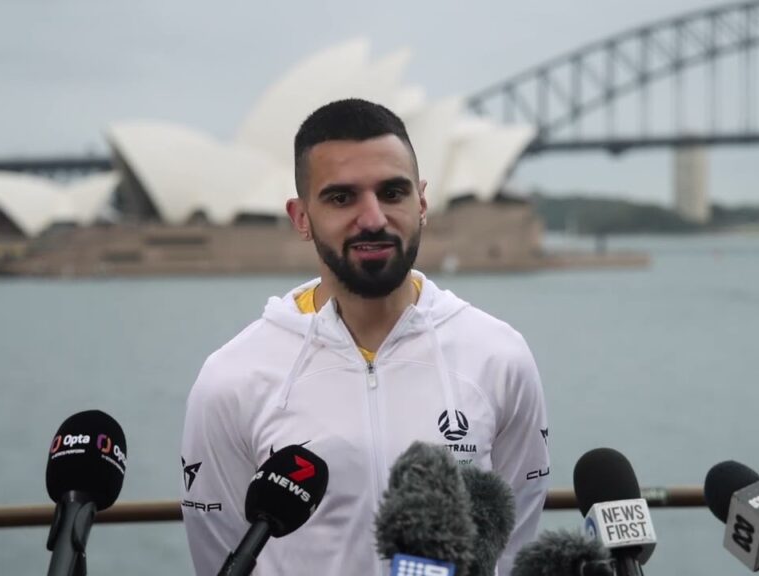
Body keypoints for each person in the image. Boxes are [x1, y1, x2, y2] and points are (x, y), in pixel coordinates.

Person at [181, 98, 550, 575]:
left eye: (392, 192)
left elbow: (515, 540)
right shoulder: (232, 378)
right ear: (301, 217)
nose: (373, 218)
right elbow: (220, 556)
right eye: (342, 198)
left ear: (421, 202)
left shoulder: (499, 356)